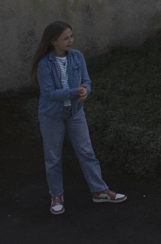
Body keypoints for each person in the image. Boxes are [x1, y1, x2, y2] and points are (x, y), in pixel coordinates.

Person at [30, 21, 126, 215]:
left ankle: (99, 190)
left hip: (75, 114)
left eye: (72, 36)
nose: (71, 41)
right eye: (66, 38)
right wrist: (76, 91)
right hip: (51, 116)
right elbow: (49, 93)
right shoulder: (44, 64)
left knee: (87, 152)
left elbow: (86, 81)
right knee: (53, 158)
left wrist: (86, 91)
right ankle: (56, 195)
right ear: (53, 41)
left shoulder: (77, 57)